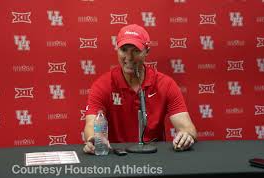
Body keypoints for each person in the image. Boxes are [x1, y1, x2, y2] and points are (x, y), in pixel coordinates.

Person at [83, 24, 197, 154]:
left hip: (154, 155)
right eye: (124, 49)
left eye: (136, 51)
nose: (129, 57)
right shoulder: (102, 85)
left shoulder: (166, 84)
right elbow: (91, 124)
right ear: (117, 49)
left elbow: (187, 127)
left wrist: (187, 136)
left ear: (147, 51)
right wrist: (94, 140)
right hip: (118, 156)